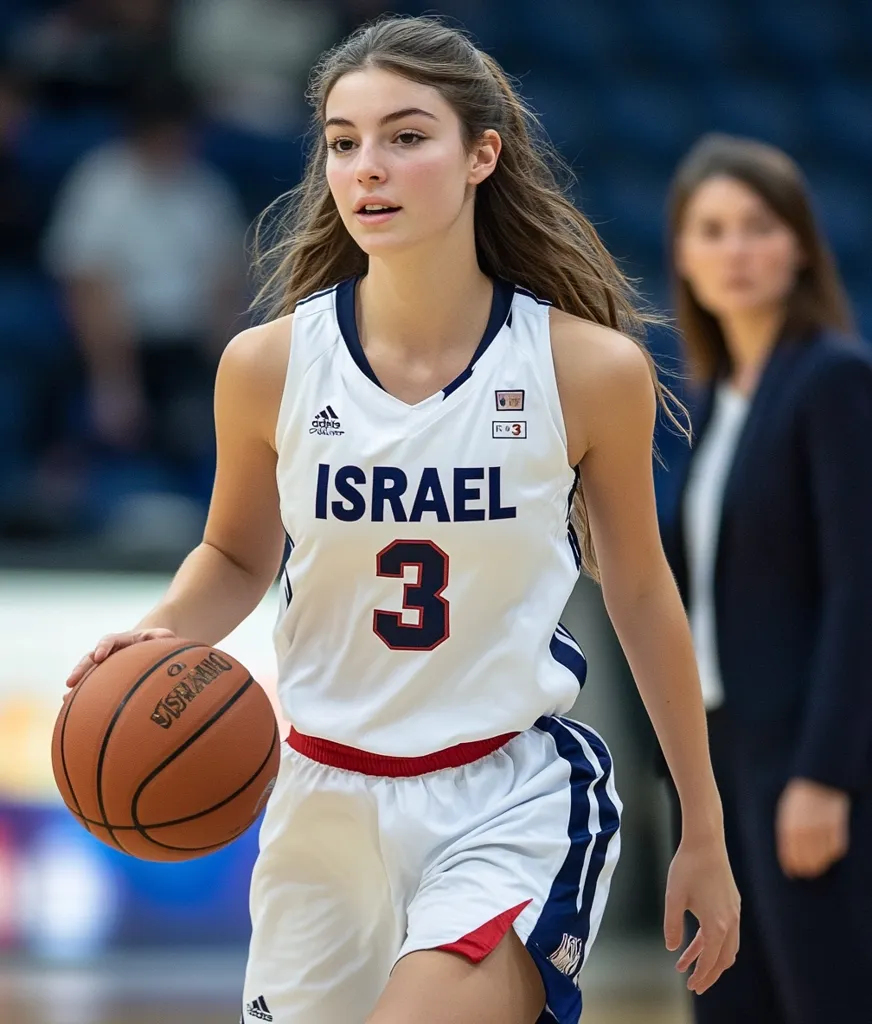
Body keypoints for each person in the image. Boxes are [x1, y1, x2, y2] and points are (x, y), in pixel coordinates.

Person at [66, 18, 738, 1024]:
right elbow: (235, 553)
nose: (366, 168)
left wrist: (701, 821)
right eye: (342, 142)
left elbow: (640, 593)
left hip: (503, 798)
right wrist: (157, 633)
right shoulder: (266, 366)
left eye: (404, 136)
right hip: (318, 802)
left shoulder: (585, 369)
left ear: (481, 154)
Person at [658, 132, 872, 1024]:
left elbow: (859, 591)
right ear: (684, 255)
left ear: (798, 247)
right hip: (717, 762)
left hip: (801, 762)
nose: (735, 250)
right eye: (712, 230)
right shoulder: (711, 400)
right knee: (731, 1006)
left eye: (757, 227)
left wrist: (824, 776)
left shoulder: (833, 381)